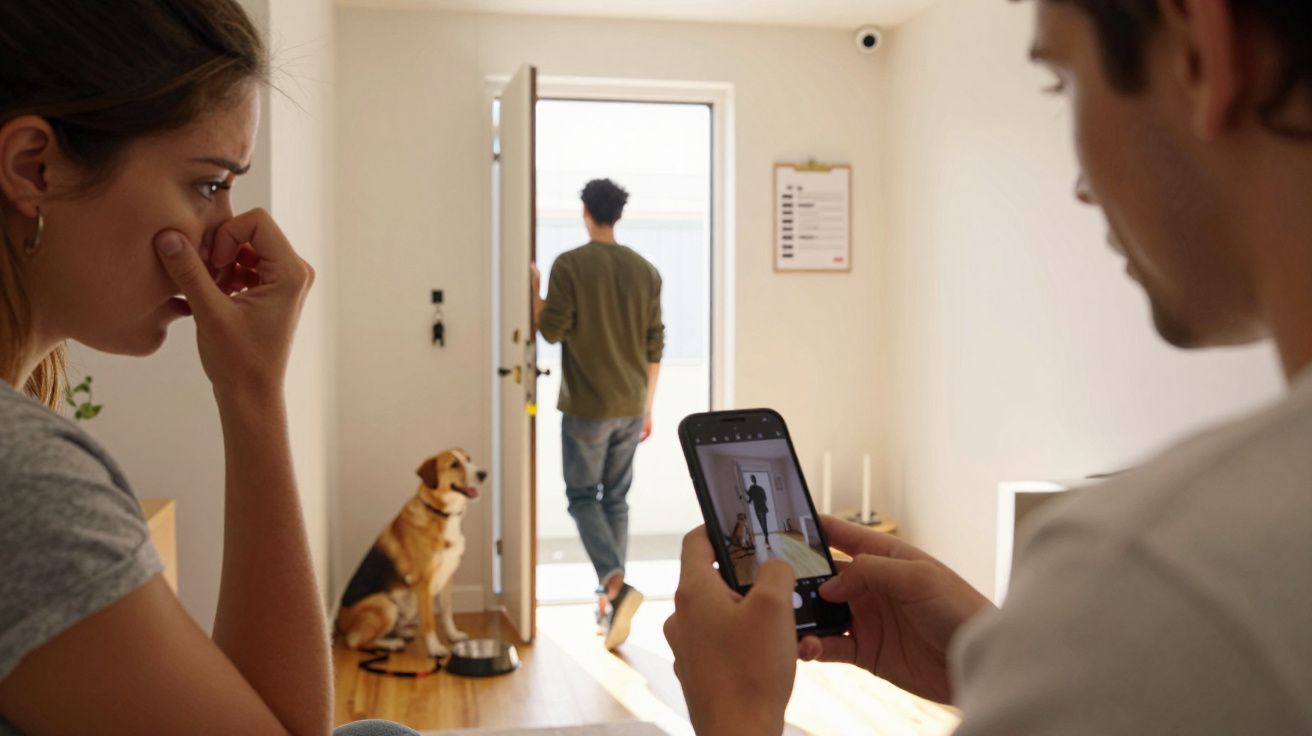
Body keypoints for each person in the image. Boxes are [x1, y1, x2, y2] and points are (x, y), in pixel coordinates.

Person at [665, 0, 1312, 733]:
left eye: (1064, 84)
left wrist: (736, 710)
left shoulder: (1159, 575)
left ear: (1202, 50)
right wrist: (1001, 660)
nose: (1081, 186)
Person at [0, 2, 415, 734]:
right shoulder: (23, 476)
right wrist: (252, 390)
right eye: (207, 184)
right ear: (34, 167)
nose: (227, 234)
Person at [532, 178, 665, 650]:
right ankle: (609, 606)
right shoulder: (646, 271)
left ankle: (613, 583)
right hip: (632, 405)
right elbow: (655, 344)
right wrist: (647, 407)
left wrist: (535, 293)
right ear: (618, 214)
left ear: (585, 212)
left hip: (589, 407)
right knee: (616, 501)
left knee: (583, 497)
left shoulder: (570, 264)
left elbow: (551, 331)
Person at [745, 475, 772, 549]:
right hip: (763, 507)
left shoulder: (752, 488)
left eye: (751, 479)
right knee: (764, 523)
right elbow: (765, 498)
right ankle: (766, 538)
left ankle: (766, 538)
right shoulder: (761, 488)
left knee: (762, 524)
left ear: (752, 480)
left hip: (758, 508)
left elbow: (750, 497)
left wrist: (746, 492)